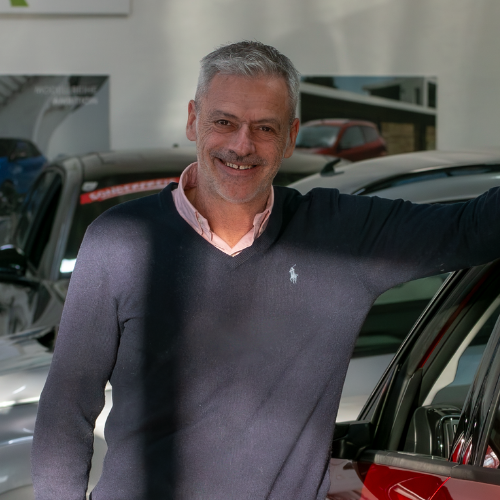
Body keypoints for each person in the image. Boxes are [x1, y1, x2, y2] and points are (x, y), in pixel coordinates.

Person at [31, 41, 500, 500]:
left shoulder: (341, 236)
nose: (242, 145)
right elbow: (67, 406)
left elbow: (473, 229)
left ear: (291, 136)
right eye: (224, 122)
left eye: (265, 128)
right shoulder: (121, 240)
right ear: (193, 120)